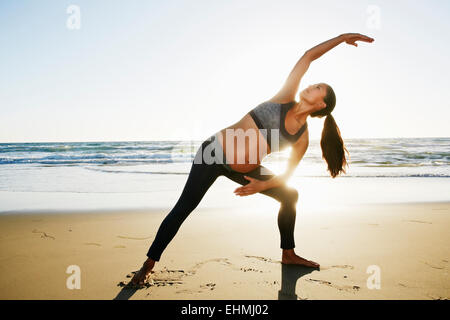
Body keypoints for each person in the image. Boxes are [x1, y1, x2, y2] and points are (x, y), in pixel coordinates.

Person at [131, 33, 374, 286]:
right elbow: (308, 57)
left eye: (317, 88)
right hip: (211, 153)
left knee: (290, 196)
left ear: (321, 104)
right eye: (313, 84)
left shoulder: (301, 137)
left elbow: (287, 174)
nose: (310, 86)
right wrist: (343, 37)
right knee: (184, 207)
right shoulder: (284, 98)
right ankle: (148, 264)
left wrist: (262, 185)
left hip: (244, 170)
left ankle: (288, 254)